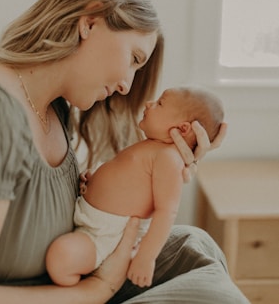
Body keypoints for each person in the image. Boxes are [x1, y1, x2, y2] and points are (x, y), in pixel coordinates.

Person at [0, 0, 248, 304]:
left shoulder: (55, 110)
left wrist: (165, 162)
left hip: (73, 277)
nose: (126, 85)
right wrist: (94, 291)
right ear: (89, 23)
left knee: (194, 246)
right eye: (134, 59)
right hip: (69, 294)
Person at [46, 86, 224, 288]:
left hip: (106, 236)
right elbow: (128, 181)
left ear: (183, 129)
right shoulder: (153, 147)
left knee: (61, 258)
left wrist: (146, 257)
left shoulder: (169, 158)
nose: (149, 103)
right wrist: (95, 179)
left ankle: (80, 292)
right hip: (93, 220)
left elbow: (166, 211)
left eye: (160, 103)